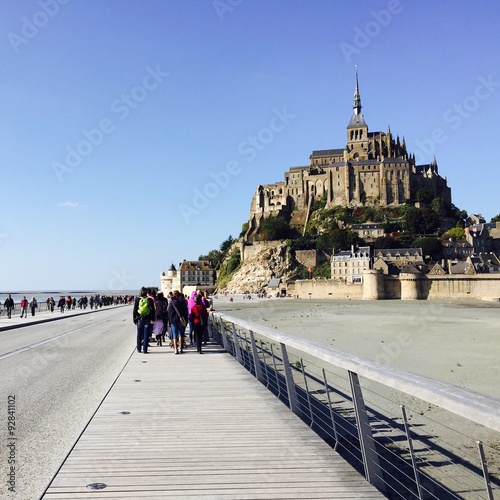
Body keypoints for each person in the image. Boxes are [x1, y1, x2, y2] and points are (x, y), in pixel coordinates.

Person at [133, 287, 155, 354]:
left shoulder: (137, 299)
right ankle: (145, 349)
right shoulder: (150, 300)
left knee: (139, 334)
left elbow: (135, 310)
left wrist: (134, 319)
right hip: (147, 319)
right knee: (146, 335)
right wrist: (152, 319)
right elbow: (152, 311)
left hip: (140, 319)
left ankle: (139, 348)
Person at [167, 290, 188, 354]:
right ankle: (181, 348)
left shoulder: (171, 303)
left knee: (174, 335)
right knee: (181, 335)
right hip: (180, 320)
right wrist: (186, 320)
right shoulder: (182, 302)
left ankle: (175, 349)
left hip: (173, 321)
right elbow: (185, 311)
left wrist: (169, 321)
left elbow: (169, 313)